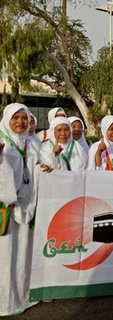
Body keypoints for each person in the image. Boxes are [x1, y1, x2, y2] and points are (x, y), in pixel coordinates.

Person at [0, 103, 39, 316]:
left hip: (25, 206)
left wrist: (44, 168)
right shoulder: (2, 142)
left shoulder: (30, 144)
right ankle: (5, 303)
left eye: (24, 118)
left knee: (23, 254)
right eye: (16, 118)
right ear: (7, 119)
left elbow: (35, 170)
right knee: (5, 256)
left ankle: (22, 297)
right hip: (5, 208)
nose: (20, 122)